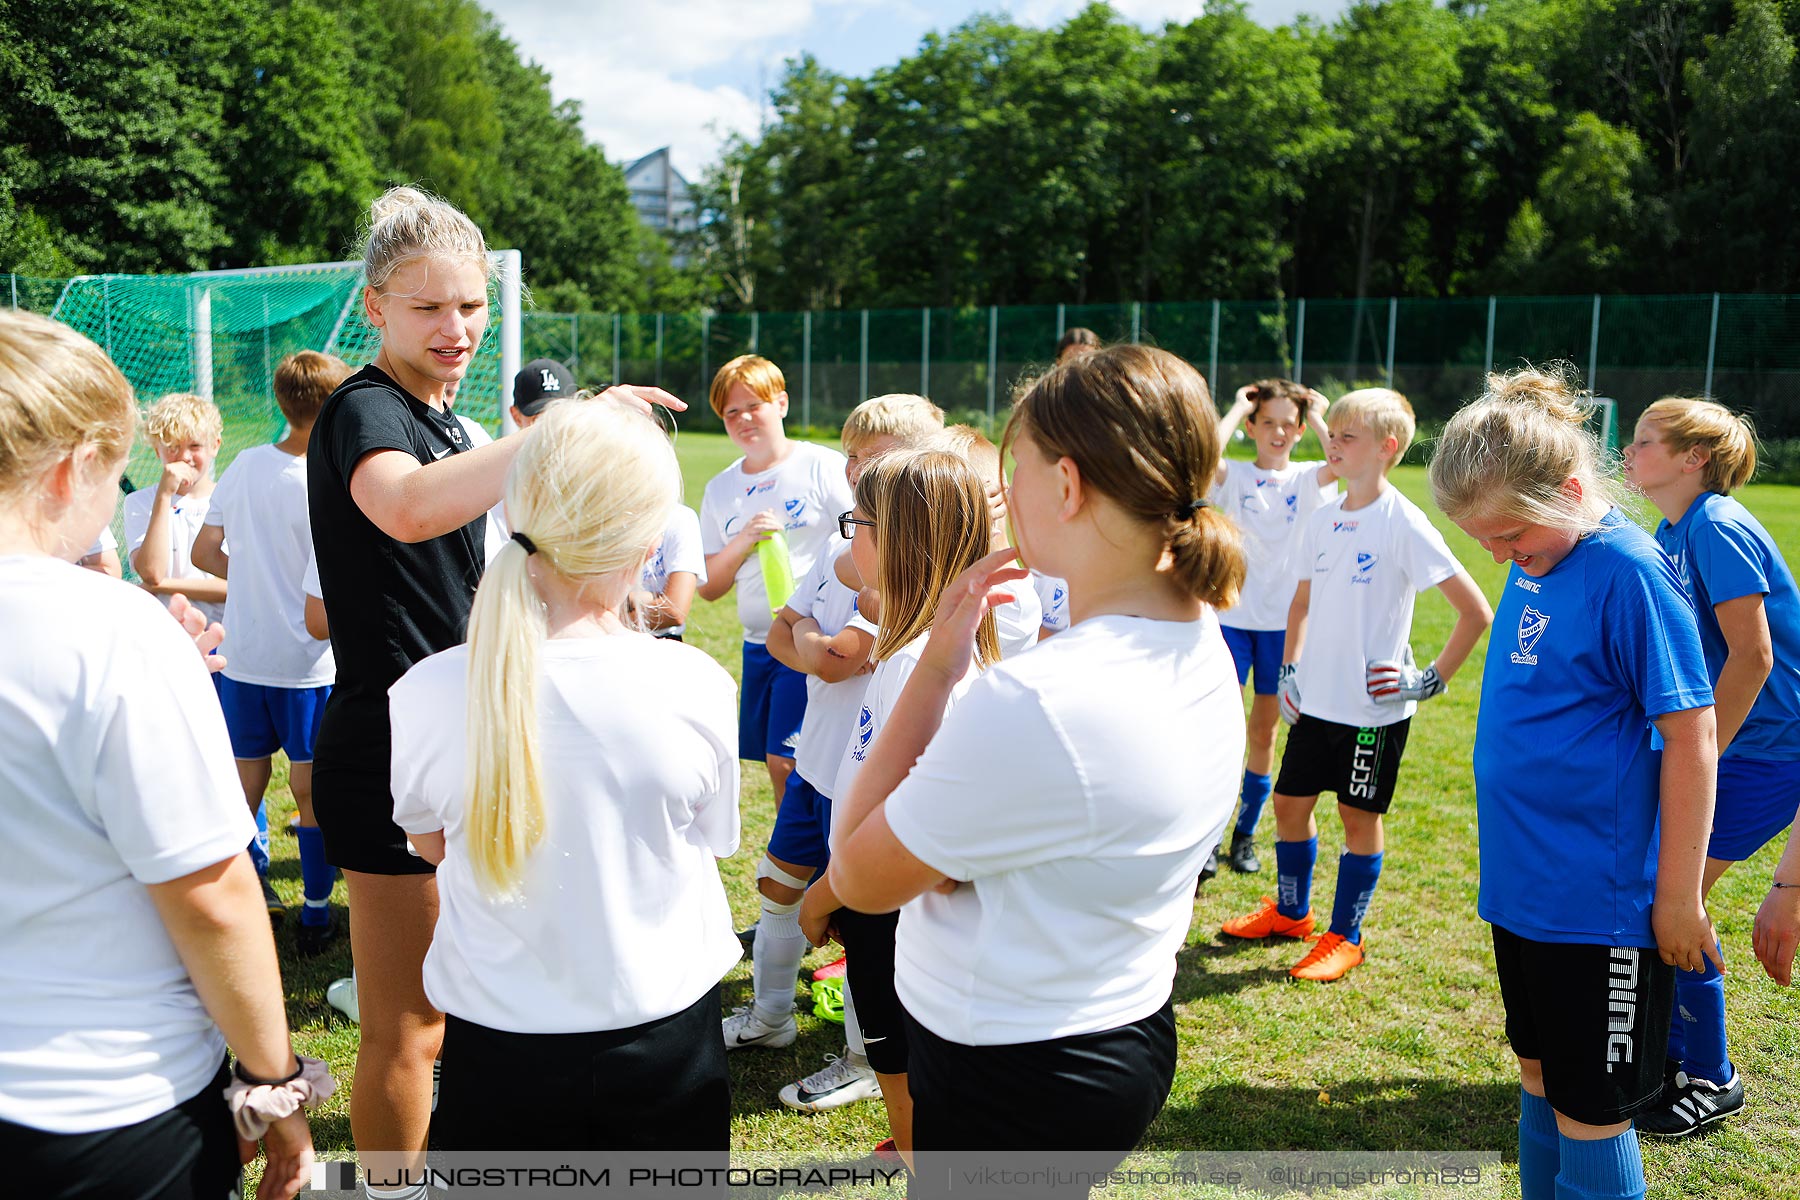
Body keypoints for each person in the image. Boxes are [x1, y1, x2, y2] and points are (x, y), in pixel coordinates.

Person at [306, 184, 682, 1197]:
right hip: (392, 748)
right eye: (429, 308)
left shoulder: (450, 419)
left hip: (472, 735)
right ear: (376, 306)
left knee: (471, 1003)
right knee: (410, 1022)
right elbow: (409, 512)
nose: (457, 328)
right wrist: (564, 427)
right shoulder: (364, 410)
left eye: (470, 306)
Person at [822, 345, 1246, 1197]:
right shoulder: (1197, 633)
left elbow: (860, 877)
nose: (1000, 496)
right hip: (1113, 1028)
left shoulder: (1039, 699)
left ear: (1068, 484)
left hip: (1010, 1066)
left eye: (1012, 471)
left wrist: (939, 665)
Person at [0, 308, 328, 1200]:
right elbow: (213, 897)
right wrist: (277, 1084)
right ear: (72, 469)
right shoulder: (111, 631)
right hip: (99, 1106)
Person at [388, 398, 739, 1152]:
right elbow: (711, 837)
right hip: (665, 1042)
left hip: (498, 1050)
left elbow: (431, 844)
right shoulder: (695, 683)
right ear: (650, 542)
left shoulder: (424, 689)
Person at [1430, 368, 1718, 1200]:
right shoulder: (1539, 551)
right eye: (1487, 543)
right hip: (1526, 894)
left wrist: (1675, 898)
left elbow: (1692, 738)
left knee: (1592, 1110)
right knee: (1541, 1079)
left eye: (1510, 536)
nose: (1501, 555)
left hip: (1603, 908)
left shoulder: (1629, 571)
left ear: (1567, 489)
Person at [1220, 387, 1492, 982]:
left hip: (1374, 713)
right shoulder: (1321, 520)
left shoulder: (1403, 522)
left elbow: (1475, 611)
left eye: (1347, 437)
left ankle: (1346, 936)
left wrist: (1427, 681)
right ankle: (1293, 913)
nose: (1332, 444)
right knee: (1290, 807)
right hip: (1314, 702)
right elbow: (1300, 604)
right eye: (1333, 434)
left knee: (1355, 818)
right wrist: (1290, 671)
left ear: (1386, 448)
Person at [734, 394, 942, 1119]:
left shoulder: (917, 570)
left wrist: (814, 647)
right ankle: (769, 1017)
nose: (855, 469)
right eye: (852, 455)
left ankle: (861, 1056)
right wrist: (817, 645)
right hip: (818, 761)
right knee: (779, 885)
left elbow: (827, 658)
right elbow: (785, 636)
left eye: (874, 456)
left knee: (862, 915)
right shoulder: (838, 548)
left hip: (869, 777)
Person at [798, 447, 1004, 1168]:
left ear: (897, 541)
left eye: (858, 521)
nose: (848, 534)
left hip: (893, 915)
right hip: (877, 906)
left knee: (905, 1073)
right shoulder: (911, 652)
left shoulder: (920, 666)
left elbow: (908, 823)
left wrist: (825, 893)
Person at [1621, 397, 1800, 1135]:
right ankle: (1664, 1060)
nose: (1628, 453)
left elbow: (1755, 657)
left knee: (1673, 895)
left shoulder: (1718, 524)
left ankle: (1711, 1074)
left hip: (1763, 754)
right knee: (1655, 893)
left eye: (1643, 441)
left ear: (1693, 457)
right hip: (1731, 747)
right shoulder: (1675, 526)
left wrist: (1701, 756)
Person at [194, 351, 350, 958]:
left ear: (280, 403)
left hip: (246, 661)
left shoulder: (245, 465)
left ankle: (245, 906)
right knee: (311, 796)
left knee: (243, 796)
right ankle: (316, 916)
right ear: (335, 405)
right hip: (310, 666)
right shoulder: (334, 477)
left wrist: (252, 577)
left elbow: (207, 553)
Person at [698, 355, 853, 802]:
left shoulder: (821, 466)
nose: (743, 418)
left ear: (781, 403)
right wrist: (744, 539)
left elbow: (858, 540)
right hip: (757, 646)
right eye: (731, 412)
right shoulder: (720, 490)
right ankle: (802, 856)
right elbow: (709, 588)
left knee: (792, 760)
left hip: (810, 637)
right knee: (774, 761)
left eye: (754, 405)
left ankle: (809, 856)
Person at [1208, 379, 1337, 877]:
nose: (1279, 432)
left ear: (1300, 430)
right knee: (1221, 729)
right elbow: (1204, 455)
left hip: (1283, 629)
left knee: (1263, 733)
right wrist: (1236, 407)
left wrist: (1320, 413)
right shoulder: (1235, 476)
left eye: (1289, 424)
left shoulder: (1308, 478)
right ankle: (1207, 840)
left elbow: (1341, 459)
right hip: (1230, 620)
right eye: (1268, 423)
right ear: (1252, 428)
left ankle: (1244, 835)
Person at [125, 392, 228, 625]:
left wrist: (161, 586)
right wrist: (164, 495)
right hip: (163, 630)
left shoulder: (229, 499)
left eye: (195, 446)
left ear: (214, 446)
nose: (184, 456)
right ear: (156, 450)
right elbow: (151, 572)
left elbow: (232, 585)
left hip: (221, 632)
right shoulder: (140, 502)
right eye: (172, 447)